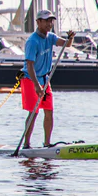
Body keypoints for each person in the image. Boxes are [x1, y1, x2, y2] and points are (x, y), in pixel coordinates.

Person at [21, 9, 75, 149]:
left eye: (51, 21)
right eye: (46, 21)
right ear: (38, 22)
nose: (49, 24)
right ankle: (26, 144)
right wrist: (36, 85)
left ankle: (47, 143)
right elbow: (30, 65)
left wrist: (71, 37)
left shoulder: (50, 37)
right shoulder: (32, 41)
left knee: (49, 111)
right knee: (33, 112)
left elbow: (67, 44)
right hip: (30, 79)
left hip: (45, 79)